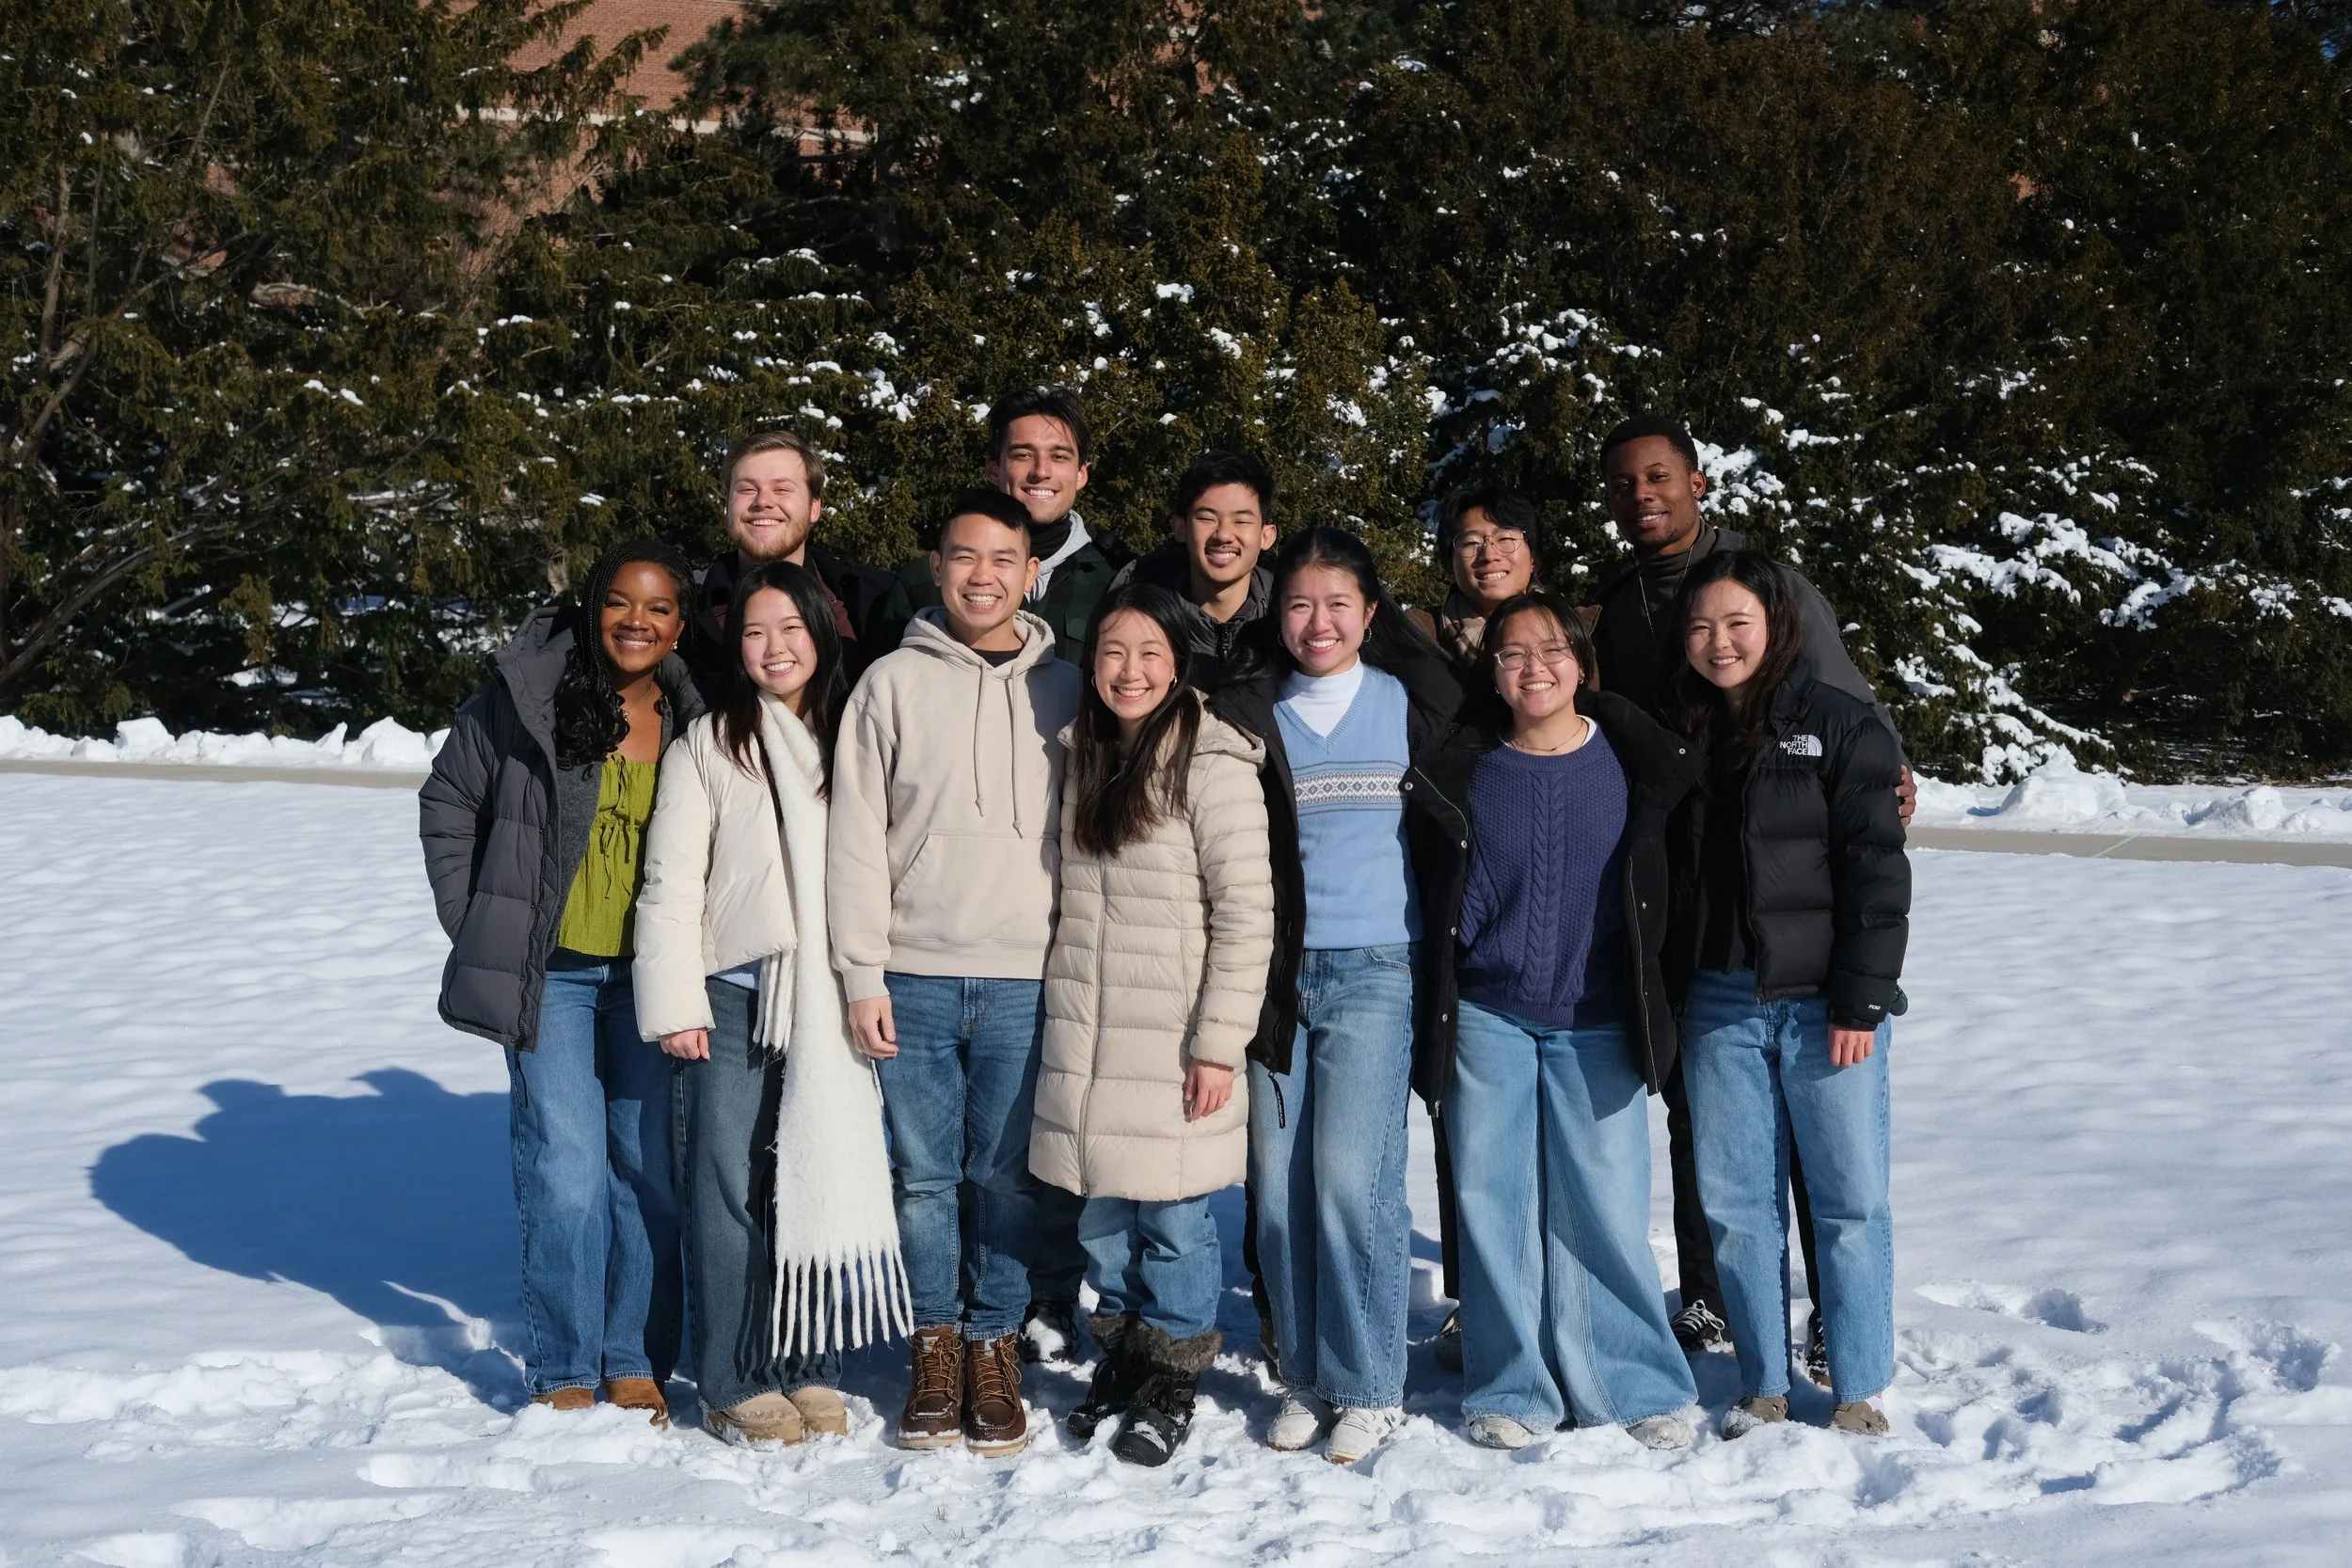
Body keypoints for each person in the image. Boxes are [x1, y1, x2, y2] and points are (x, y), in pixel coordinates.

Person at [1587, 413, 1914, 1372]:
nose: (1641, 494)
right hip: (1698, 895)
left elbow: (1844, 701)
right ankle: (1710, 1295)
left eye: (1658, 477)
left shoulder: (1761, 579)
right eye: (1624, 483)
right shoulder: (1618, 605)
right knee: (1711, 1127)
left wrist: (1884, 761)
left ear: (1695, 481)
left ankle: (1831, 1321)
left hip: (1792, 908)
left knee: (1822, 1144)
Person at [1404, 592, 1703, 1452]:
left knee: (1605, 1206)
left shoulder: (1631, 758)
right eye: (1511, 653)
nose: (1533, 667)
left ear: (1581, 661)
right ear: (1490, 671)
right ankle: (1511, 1386)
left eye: (1551, 650)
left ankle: (1633, 1381)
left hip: (1599, 1014)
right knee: (1494, 1204)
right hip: (1489, 1013)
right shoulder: (1462, 763)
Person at [419, 539, 703, 1425]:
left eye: (658, 608)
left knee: (648, 1175)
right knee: (567, 1171)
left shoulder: (696, 714)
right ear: (592, 604)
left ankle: (634, 1357)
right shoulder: (529, 697)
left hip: (653, 983)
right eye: (620, 602)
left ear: (680, 624)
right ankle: (567, 1365)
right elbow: (447, 799)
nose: (637, 622)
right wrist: (479, 923)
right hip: (554, 978)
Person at [830, 488, 1084, 1457]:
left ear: (1030, 571)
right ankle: (934, 1340)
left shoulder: (1066, 688)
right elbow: (854, 838)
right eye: (963, 555)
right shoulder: (890, 682)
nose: (983, 575)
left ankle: (994, 1343)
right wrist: (862, 971)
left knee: (1006, 1178)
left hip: (1026, 977)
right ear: (936, 566)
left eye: (1002, 558)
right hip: (915, 973)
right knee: (926, 1178)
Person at [632, 561, 909, 1446]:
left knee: (814, 1171)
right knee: (728, 1186)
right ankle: (734, 1374)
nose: (773, 646)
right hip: (738, 994)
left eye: (790, 628)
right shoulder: (708, 744)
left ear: (820, 637)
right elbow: (670, 884)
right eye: (755, 631)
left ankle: (808, 1357)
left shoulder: (856, 736)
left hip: (833, 1000)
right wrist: (676, 1000)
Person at [1211, 529, 1461, 1465]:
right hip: (1278, 977)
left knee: (1353, 1179)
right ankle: (1307, 1376)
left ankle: (1369, 1385)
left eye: (1338, 604)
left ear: (1369, 612)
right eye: (1301, 604)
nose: (1318, 622)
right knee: (1278, 1191)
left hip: (1374, 970)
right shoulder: (1256, 712)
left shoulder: (1408, 703)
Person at [896, 388, 1131, 1359]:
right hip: (936, 927)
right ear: (997, 467)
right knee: (943, 1152)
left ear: (1080, 473)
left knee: (1038, 1133)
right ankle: (950, 1319)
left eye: (1057, 454)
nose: (1038, 468)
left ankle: (1042, 1294)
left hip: (1054, 907)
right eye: (1020, 453)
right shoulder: (916, 631)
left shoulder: (1115, 583)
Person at [1662, 548, 1909, 1439]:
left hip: (1824, 1006)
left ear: (1776, 625)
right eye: (1700, 625)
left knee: (1848, 1199)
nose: (1718, 642)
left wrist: (1860, 1000)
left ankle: (1857, 1382)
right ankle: (1762, 1380)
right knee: (1735, 1205)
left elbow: (1876, 874)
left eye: (1736, 623)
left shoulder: (1840, 725)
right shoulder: (1679, 732)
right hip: (1719, 1003)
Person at [1030, 583, 1276, 1466]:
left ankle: (1172, 1372)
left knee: (1174, 1222)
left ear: (1179, 664)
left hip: (1172, 1040)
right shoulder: (1085, 752)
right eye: (1111, 652)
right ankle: (1128, 1358)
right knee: (1103, 1220)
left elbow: (1248, 914)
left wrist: (1219, 1041)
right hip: (1089, 1037)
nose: (1128, 671)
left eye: (1149, 654)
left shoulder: (1210, 760)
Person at [694, 430, 908, 702]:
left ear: (814, 507)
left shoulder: (875, 602)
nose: (763, 501)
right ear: (727, 505)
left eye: (782, 489)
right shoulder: (688, 613)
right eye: (747, 489)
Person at [1107, 450, 1278, 688]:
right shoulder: (1136, 613)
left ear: (1266, 536)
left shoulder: (1287, 625)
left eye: (1241, 520)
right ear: (1180, 528)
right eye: (1207, 518)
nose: (1223, 535)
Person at [1408, 483, 1546, 671]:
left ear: (1534, 559)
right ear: (1450, 566)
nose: (1489, 555)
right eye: (1471, 543)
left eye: (1505, 539)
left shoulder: (1576, 630)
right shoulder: (1419, 636)